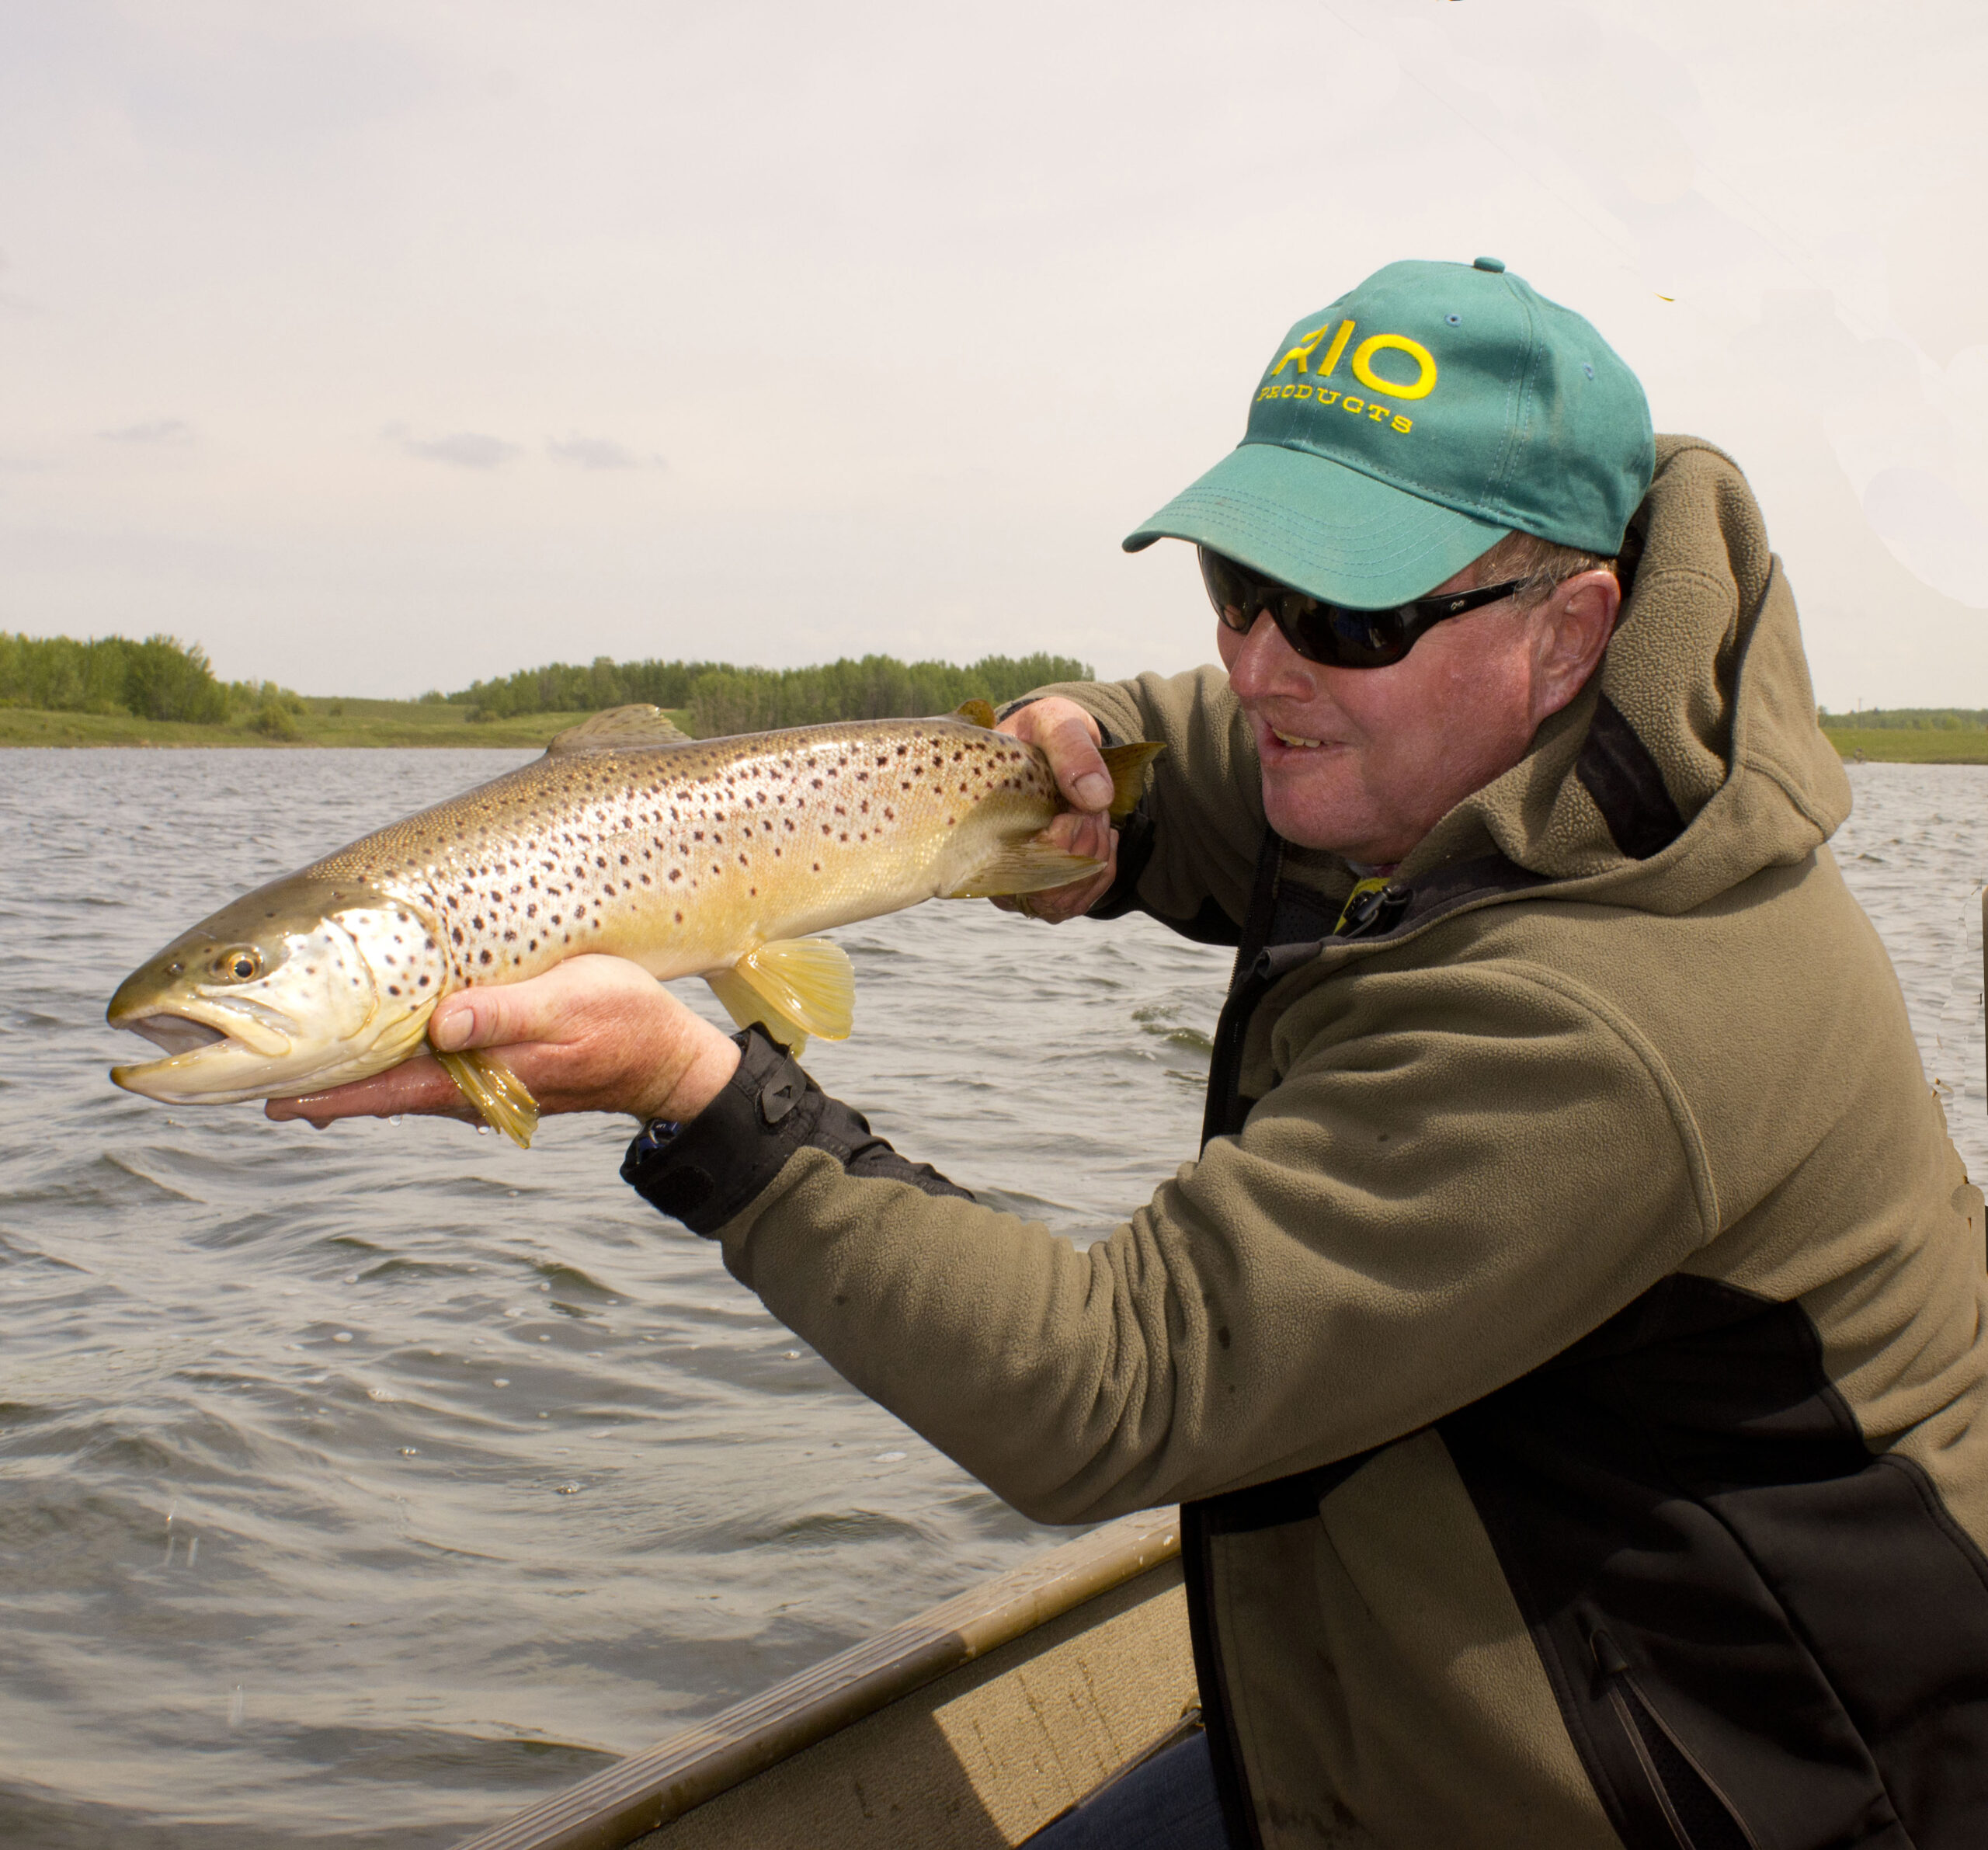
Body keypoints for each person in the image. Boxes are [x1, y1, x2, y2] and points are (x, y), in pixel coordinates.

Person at [273, 258, 1988, 1849]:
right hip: (1437, 1698)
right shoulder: (1491, 763)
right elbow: (1214, 754)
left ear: (1564, 625)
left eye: (1343, 618)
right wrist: (1077, 752)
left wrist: (697, 1096)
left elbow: (1115, 1394)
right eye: (1240, 585)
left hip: (1707, 1792)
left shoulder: (1610, 1015)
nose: (1258, 663)